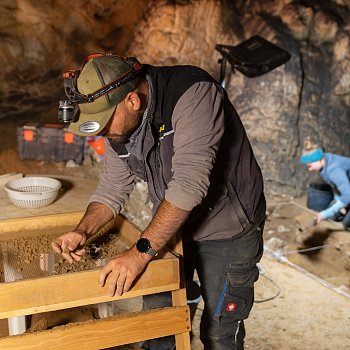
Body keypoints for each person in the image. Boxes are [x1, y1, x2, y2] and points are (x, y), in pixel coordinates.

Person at [52, 53, 266, 350]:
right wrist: (83, 230)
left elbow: (189, 186)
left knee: (219, 334)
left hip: (228, 227)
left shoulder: (193, 94)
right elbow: (112, 189)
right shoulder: (119, 125)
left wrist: (140, 252)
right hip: (172, 228)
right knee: (160, 321)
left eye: (103, 123)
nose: (102, 132)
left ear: (132, 101)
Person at [300, 137, 350, 229]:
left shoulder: (334, 170)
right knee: (334, 213)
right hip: (348, 188)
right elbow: (335, 186)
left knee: (346, 223)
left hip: (348, 192)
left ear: (319, 160)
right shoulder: (325, 161)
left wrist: (324, 214)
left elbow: (348, 195)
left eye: (310, 165)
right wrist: (340, 202)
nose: (309, 168)